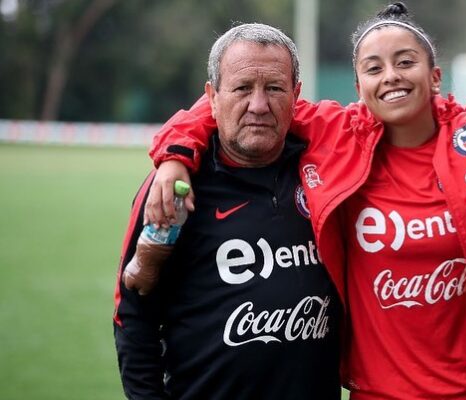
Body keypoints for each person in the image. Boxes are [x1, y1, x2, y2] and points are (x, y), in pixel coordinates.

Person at [144, 3, 466, 399]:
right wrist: (173, 156)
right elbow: (220, 100)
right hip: (379, 391)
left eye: (406, 62)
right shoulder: (332, 129)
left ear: (435, 75)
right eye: (374, 68)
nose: (391, 76)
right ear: (357, 85)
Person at [113, 23, 341, 400]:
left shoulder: (328, 174)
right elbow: (134, 317)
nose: (258, 105)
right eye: (241, 89)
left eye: (274, 88)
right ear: (213, 97)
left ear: (296, 95)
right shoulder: (174, 189)